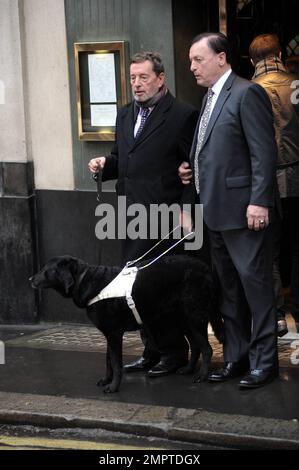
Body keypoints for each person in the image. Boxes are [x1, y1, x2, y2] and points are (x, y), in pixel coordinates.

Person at [88, 51, 198, 377]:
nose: (136, 84)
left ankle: (175, 352)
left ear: (160, 78)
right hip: (129, 215)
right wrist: (104, 166)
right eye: (133, 78)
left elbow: (193, 169)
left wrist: (187, 211)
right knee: (135, 289)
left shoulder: (182, 115)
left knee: (161, 290)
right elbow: (122, 158)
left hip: (165, 218)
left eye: (143, 77)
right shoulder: (124, 115)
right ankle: (152, 350)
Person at [179, 32, 279, 389]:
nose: (192, 67)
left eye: (197, 59)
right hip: (214, 212)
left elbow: (263, 153)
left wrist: (259, 200)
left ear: (221, 58)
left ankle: (264, 362)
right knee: (229, 292)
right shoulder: (208, 98)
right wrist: (191, 170)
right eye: (191, 61)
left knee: (255, 287)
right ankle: (236, 357)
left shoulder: (246, 92)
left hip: (244, 212)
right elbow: (208, 150)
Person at [249, 34, 299, 336]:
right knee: (298, 247)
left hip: (265, 182)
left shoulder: (248, 90)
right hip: (297, 178)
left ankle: (277, 314)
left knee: (269, 249)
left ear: (252, 60)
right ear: (280, 53)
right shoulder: (295, 84)